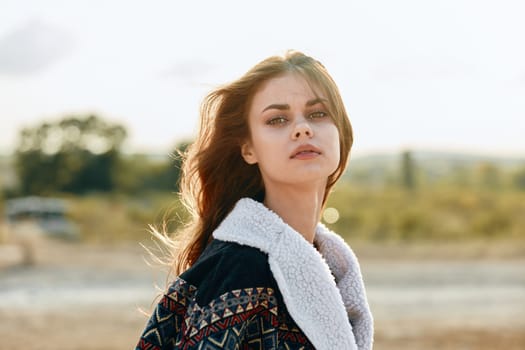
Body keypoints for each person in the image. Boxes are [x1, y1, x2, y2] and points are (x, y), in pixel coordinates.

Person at [135, 51, 373, 350]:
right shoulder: (237, 268)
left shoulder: (332, 268)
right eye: (277, 119)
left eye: (318, 114)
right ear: (248, 149)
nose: (303, 128)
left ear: (341, 133)